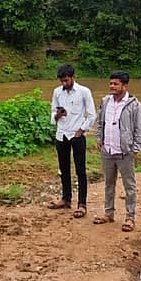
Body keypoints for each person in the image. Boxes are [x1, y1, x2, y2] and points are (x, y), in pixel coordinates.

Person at [93, 71, 141, 232]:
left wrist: (134, 149)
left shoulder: (134, 105)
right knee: (108, 184)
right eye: (111, 83)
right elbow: (100, 122)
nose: (112, 86)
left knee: (129, 185)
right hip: (107, 150)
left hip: (125, 152)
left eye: (115, 84)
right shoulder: (105, 101)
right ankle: (108, 213)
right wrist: (99, 137)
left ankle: (130, 217)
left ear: (125, 86)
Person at [47, 64, 96, 218]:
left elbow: (92, 115)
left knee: (80, 170)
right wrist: (58, 115)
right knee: (63, 169)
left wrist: (82, 130)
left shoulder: (84, 92)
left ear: (73, 77)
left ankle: (82, 204)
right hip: (61, 134)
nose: (64, 83)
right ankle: (66, 199)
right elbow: (53, 113)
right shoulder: (57, 92)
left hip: (77, 135)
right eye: (62, 81)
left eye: (66, 80)